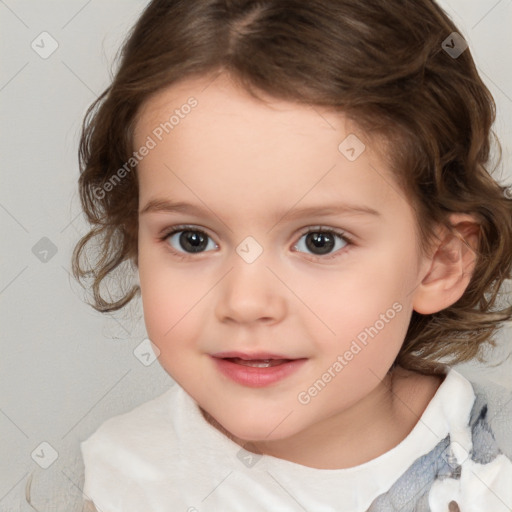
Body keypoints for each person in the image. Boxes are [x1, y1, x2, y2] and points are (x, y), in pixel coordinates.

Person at [71, 0, 512, 510]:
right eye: (192, 239)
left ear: (439, 262)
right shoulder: (120, 478)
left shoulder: (492, 474)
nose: (246, 302)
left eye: (319, 241)